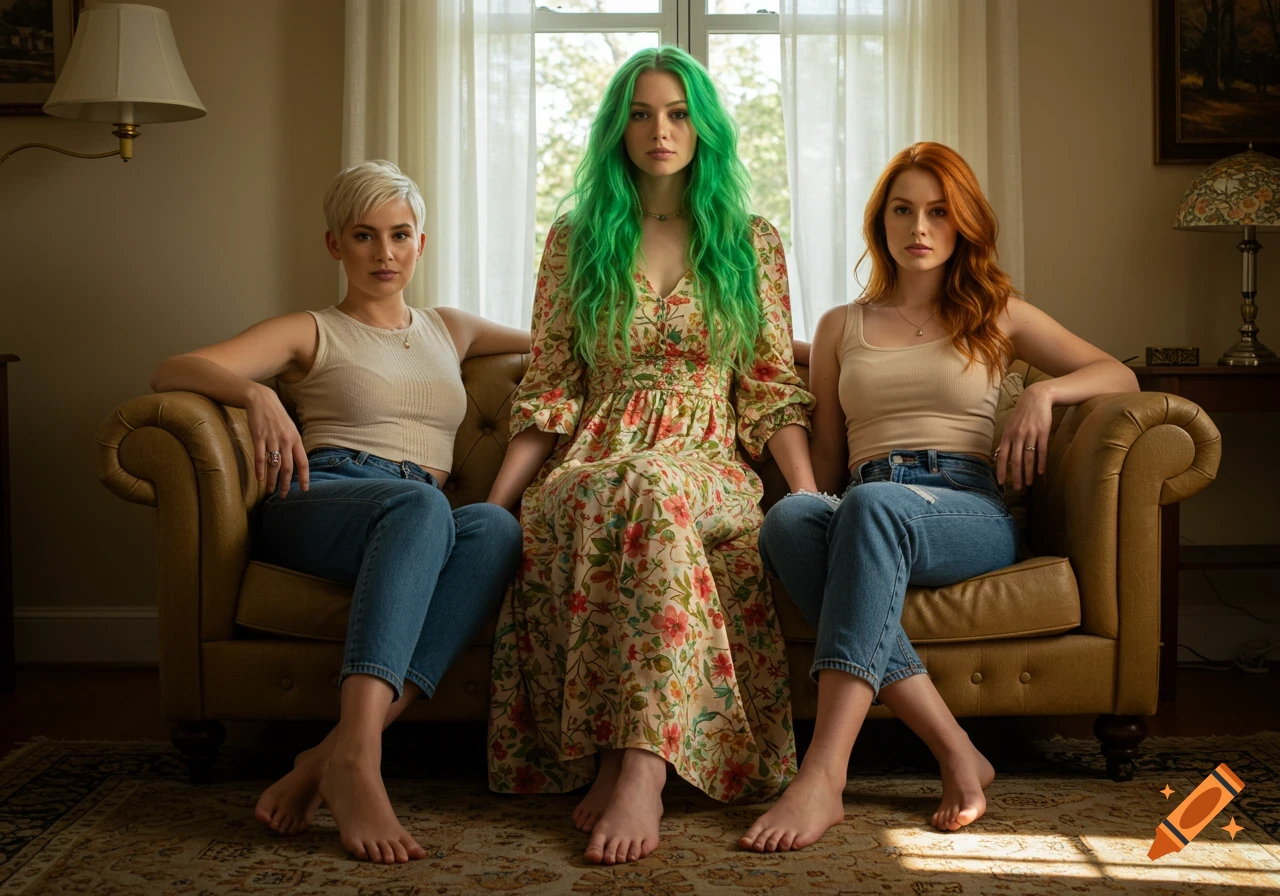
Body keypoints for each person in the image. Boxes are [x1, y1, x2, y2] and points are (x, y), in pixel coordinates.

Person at [740, 142, 1139, 852]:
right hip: (867, 502)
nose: (918, 227)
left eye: (938, 212)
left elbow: (1119, 376)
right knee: (791, 518)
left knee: (872, 507)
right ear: (881, 223)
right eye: (902, 210)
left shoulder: (998, 314)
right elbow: (827, 463)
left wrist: (1044, 393)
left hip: (965, 508)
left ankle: (824, 775)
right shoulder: (840, 326)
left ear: (963, 225)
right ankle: (957, 749)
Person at [484, 46, 817, 866]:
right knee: (627, 484)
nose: (659, 130)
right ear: (618, 129)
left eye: (676, 114)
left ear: (702, 128)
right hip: (592, 458)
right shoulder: (575, 240)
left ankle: (634, 766)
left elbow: (770, 387)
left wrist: (808, 496)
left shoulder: (750, 241)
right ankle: (628, 756)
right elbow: (550, 388)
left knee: (651, 483)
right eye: (640, 114)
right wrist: (494, 507)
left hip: (707, 463)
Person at [149, 160, 528, 864]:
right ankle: (360, 763)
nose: (384, 252)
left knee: (496, 526)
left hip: (419, 515)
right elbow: (173, 370)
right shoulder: (310, 330)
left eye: (399, 234)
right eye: (363, 235)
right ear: (335, 244)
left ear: (421, 243)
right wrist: (257, 394)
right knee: (422, 504)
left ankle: (336, 754)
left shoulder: (451, 329)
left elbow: (562, 339)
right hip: (323, 496)